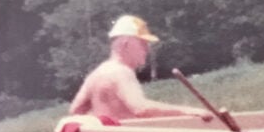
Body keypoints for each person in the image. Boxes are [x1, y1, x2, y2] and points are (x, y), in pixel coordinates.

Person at [68, 15, 214, 122]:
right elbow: (141, 108)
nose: (147, 50)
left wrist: (102, 122)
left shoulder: (97, 74)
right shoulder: (121, 72)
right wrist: (190, 111)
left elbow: (75, 110)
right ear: (126, 43)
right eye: (142, 44)